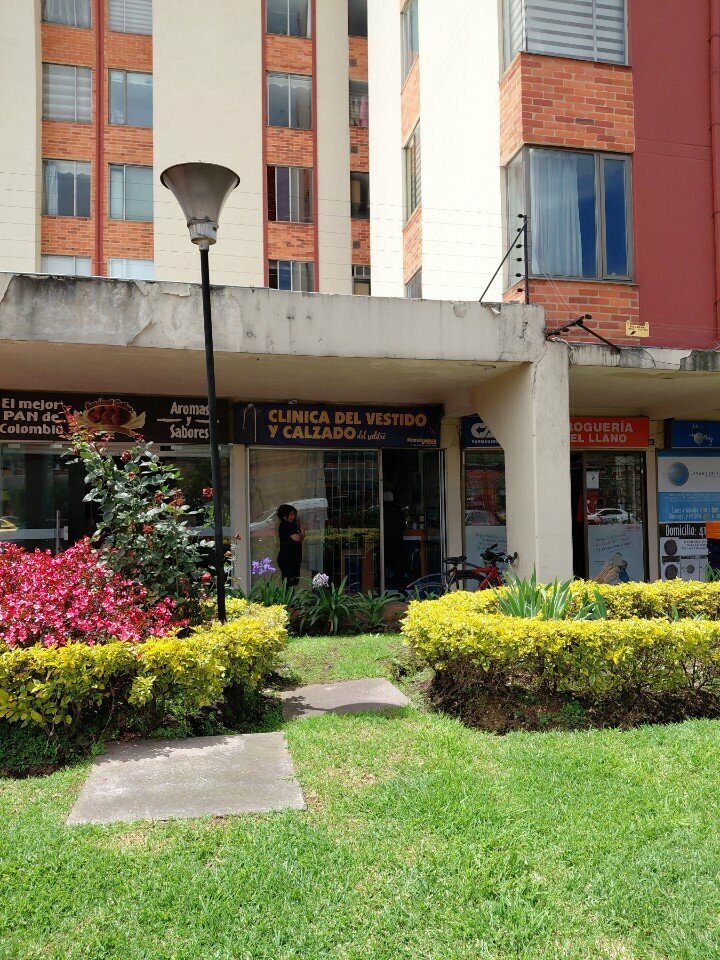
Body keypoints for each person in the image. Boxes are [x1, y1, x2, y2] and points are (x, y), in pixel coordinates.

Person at [276, 503, 305, 586]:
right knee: (289, 582)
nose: (293, 517)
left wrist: (300, 528)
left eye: (294, 514)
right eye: (291, 515)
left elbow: (300, 539)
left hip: (293, 558)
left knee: (293, 581)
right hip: (288, 559)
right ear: (285, 516)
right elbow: (298, 538)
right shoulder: (286, 526)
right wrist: (302, 528)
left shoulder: (292, 525)